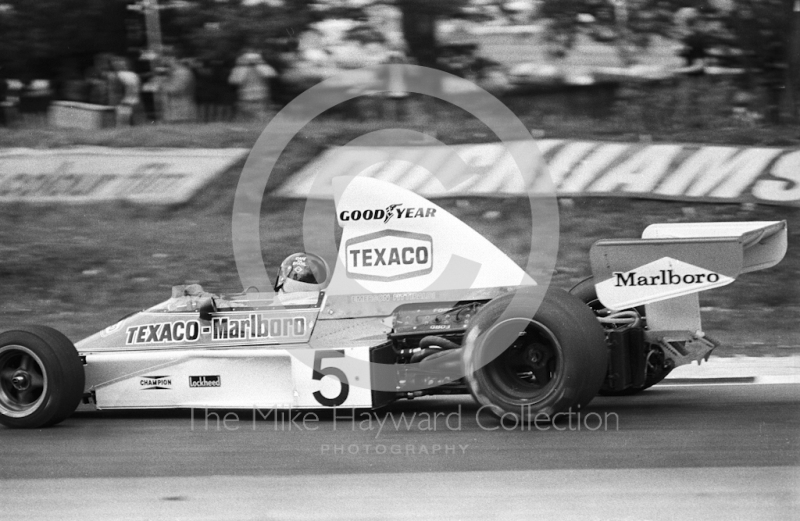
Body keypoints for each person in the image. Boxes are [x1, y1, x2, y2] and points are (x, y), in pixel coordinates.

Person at [228, 49, 276, 121]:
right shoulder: (240, 69)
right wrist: (243, 67)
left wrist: (259, 64)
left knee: (260, 113)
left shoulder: (262, 68)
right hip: (247, 95)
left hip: (260, 95)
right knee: (248, 113)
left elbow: (271, 74)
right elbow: (235, 80)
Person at [111, 56, 142, 126]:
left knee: (122, 126)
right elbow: (138, 88)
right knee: (136, 126)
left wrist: (115, 102)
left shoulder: (118, 75)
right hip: (135, 102)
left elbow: (117, 90)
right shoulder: (134, 75)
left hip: (123, 103)